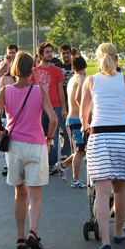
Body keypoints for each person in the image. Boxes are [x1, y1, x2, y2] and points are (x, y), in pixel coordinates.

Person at [0, 51, 57, 249]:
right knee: (35, 197)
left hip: (15, 147)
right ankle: (33, 233)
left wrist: (0, 132)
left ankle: (20, 238)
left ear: (15, 68)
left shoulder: (5, 91)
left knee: (20, 193)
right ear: (32, 69)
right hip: (36, 145)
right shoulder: (39, 91)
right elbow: (53, 119)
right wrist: (49, 138)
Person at [80, 43, 125, 249]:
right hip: (122, 136)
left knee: (101, 192)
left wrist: (86, 126)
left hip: (100, 137)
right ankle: (119, 231)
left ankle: (105, 239)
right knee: (121, 189)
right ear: (117, 59)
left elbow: (85, 115)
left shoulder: (91, 81)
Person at [29, 42, 67, 175]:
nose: (50, 54)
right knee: (38, 136)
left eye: (51, 51)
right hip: (37, 108)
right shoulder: (33, 72)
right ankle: (39, 162)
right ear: (41, 55)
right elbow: (29, 91)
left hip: (54, 107)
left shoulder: (57, 71)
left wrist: (63, 108)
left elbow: (60, 90)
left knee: (53, 137)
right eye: (47, 52)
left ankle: (51, 164)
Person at [54, 55, 87, 188]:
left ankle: (63, 165)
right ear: (85, 66)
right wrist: (86, 112)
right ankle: (75, 179)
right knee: (79, 151)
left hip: (72, 118)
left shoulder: (72, 79)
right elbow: (79, 98)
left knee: (81, 150)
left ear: (72, 68)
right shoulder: (82, 79)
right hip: (77, 119)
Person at [54, 44, 74, 160]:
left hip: (73, 100)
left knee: (73, 126)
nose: (66, 55)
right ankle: (66, 151)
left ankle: (74, 148)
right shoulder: (57, 67)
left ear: (71, 54)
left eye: (68, 53)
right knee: (63, 128)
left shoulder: (75, 65)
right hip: (61, 100)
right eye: (63, 53)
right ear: (60, 54)